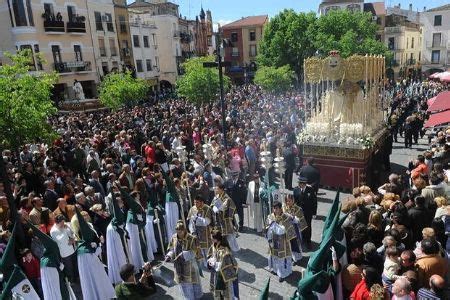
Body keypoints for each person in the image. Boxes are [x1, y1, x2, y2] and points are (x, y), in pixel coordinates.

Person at [75, 207, 116, 300]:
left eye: (86, 215)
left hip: (97, 246)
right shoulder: (80, 230)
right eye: (83, 216)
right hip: (92, 252)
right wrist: (96, 245)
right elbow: (86, 239)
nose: (86, 217)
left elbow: (96, 233)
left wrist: (99, 238)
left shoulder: (90, 224)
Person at [165, 220, 203, 299]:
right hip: (179, 266)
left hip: (190, 266)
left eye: (180, 232)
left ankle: (197, 297)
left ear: (184, 230)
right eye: (177, 232)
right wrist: (169, 255)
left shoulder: (192, 238)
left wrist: (183, 255)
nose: (179, 234)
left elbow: (194, 253)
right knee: (184, 286)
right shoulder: (174, 237)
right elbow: (172, 249)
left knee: (193, 283)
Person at [266, 201, 296, 282]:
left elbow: (283, 230)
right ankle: (275, 270)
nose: (275, 210)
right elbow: (267, 227)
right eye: (274, 208)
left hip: (283, 242)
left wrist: (275, 226)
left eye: (277, 208)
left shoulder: (284, 217)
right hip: (273, 240)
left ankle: (283, 274)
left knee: (282, 258)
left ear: (280, 209)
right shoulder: (270, 217)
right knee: (274, 256)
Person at [106, 192, 131, 284]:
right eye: (121, 202)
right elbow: (118, 224)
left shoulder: (120, 210)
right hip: (115, 234)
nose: (123, 203)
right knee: (119, 253)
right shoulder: (118, 211)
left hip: (118, 232)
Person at [207, 229, 239, 299]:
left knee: (226, 294)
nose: (211, 239)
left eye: (212, 238)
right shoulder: (213, 246)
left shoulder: (224, 251)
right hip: (216, 274)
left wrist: (215, 263)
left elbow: (225, 264)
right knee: (218, 293)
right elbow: (210, 255)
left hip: (224, 277)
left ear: (217, 239)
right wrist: (209, 261)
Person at [211, 183, 239, 252]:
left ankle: (235, 248)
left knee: (230, 236)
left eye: (217, 188)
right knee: (220, 235)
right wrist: (213, 207)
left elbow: (224, 207)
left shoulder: (227, 198)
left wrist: (217, 208)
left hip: (226, 220)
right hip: (218, 219)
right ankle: (223, 246)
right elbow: (212, 204)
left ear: (221, 189)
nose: (215, 190)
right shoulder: (216, 196)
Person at [50, 214, 77, 282]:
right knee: (69, 268)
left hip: (72, 249)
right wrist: (64, 230)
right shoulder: (53, 231)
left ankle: (77, 278)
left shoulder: (65, 225)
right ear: (57, 223)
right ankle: (72, 281)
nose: (63, 224)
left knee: (75, 265)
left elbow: (72, 233)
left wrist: (73, 238)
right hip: (65, 253)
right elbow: (61, 240)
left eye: (63, 222)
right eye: (61, 223)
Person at [282, 193, 307, 264]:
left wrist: (293, 218)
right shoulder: (284, 208)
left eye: (290, 201)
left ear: (293, 200)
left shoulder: (298, 209)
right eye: (287, 201)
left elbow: (300, 221)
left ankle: (297, 258)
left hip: (295, 230)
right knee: (289, 245)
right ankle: (292, 258)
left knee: (296, 244)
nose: (288, 202)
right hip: (287, 230)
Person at [293, 177, 316, 249]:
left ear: (304, 184)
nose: (300, 185)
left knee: (308, 226)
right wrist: (294, 211)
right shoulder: (296, 190)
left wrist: (314, 213)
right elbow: (295, 202)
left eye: (301, 183)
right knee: (300, 226)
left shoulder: (310, 190)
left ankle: (308, 241)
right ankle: (302, 240)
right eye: (299, 183)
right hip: (299, 213)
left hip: (308, 212)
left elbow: (314, 202)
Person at [187, 195, 212, 263]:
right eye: (194, 202)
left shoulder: (207, 208)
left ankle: (209, 263)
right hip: (196, 233)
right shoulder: (192, 209)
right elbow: (190, 223)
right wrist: (192, 231)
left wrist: (198, 219)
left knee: (207, 250)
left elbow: (207, 222)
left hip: (205, 233)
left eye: (197, 202)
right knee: (199, 249)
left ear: (202, 202)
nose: (195, 204)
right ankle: (203, 263)